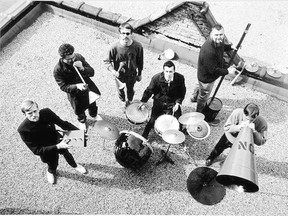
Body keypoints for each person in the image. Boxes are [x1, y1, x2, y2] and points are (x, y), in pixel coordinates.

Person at [17, 100, 87, 184]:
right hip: (46, 150)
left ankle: (74, 165)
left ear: (38, 109)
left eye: (35, 111)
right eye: (30, 113)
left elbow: (63, 124)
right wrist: (58, 146)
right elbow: (36, 150)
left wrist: (80, 133)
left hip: (57, 139)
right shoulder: (23, 129)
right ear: (24, 114)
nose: (34, 115)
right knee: (52, 163)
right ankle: (51, 172)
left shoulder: (46, 112)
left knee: (66, 153)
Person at [195, 24, 237, 125]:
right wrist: (228, 72)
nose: (219, 37)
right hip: (207, 78)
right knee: (203, 97)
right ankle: (199, 115)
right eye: (216, 35)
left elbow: (222, 47)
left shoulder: (218, 41)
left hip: (205, 75)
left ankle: (194, 96)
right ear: (211, 34)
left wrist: (230, 47)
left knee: (200, 88)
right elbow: (213, 70)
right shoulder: (208, 51)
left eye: (221, 34)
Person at [53, 43, 101, 131]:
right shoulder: (58, 70)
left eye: (73, 57)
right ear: (62, 58)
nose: (72, 60)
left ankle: (93, 115)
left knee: (92, 103)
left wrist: (82, 67)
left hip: (88, 89)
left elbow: (92, 72)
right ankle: (82, 121)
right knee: (79, 110)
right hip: (75, 94)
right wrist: (76, 86)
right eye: (69, 59)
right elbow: (63, 86)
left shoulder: (78, 57)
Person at [139, 61, 186, 139]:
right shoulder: (156, 78)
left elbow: (182, 92)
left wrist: (178, 103)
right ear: (163, 71)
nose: (168, 74)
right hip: (159, 102)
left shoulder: (180, 78)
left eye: (170, 71)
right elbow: (149, 90)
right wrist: (143, 101)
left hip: (173, 103)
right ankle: (145, 135)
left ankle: (179, 137)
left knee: (179, 121)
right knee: (152, 120)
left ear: (174, 71)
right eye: (166, 71)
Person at [104, 22, 144, 108]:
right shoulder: (114, 47)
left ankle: (129, 101)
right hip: (119, 75)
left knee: (130, 89)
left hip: (132, 74)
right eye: (123, 33)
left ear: (131, 34)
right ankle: (123, 101)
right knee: (120, 90)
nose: (125, 36)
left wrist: (140, 74)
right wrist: (113, 71)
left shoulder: (138, 46)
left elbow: (140, 61)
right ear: (120, 34)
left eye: (127, 33)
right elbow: (106, 61)